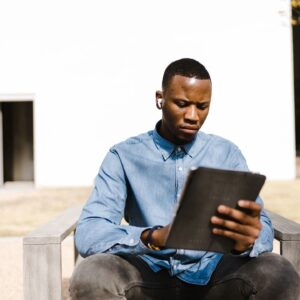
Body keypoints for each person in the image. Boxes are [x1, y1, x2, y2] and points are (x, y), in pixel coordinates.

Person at [70, 58, 300, 299]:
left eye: (202, 106)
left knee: (278, 271)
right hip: (146, 272)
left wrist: (245, 242)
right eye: (182, 104)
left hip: (214, 276)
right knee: (91, 274)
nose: (193, 116)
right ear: (160, 98)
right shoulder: (123, 156)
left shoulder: (226, 154)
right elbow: (90, 232)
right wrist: (152, 237)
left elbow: (260, 224)